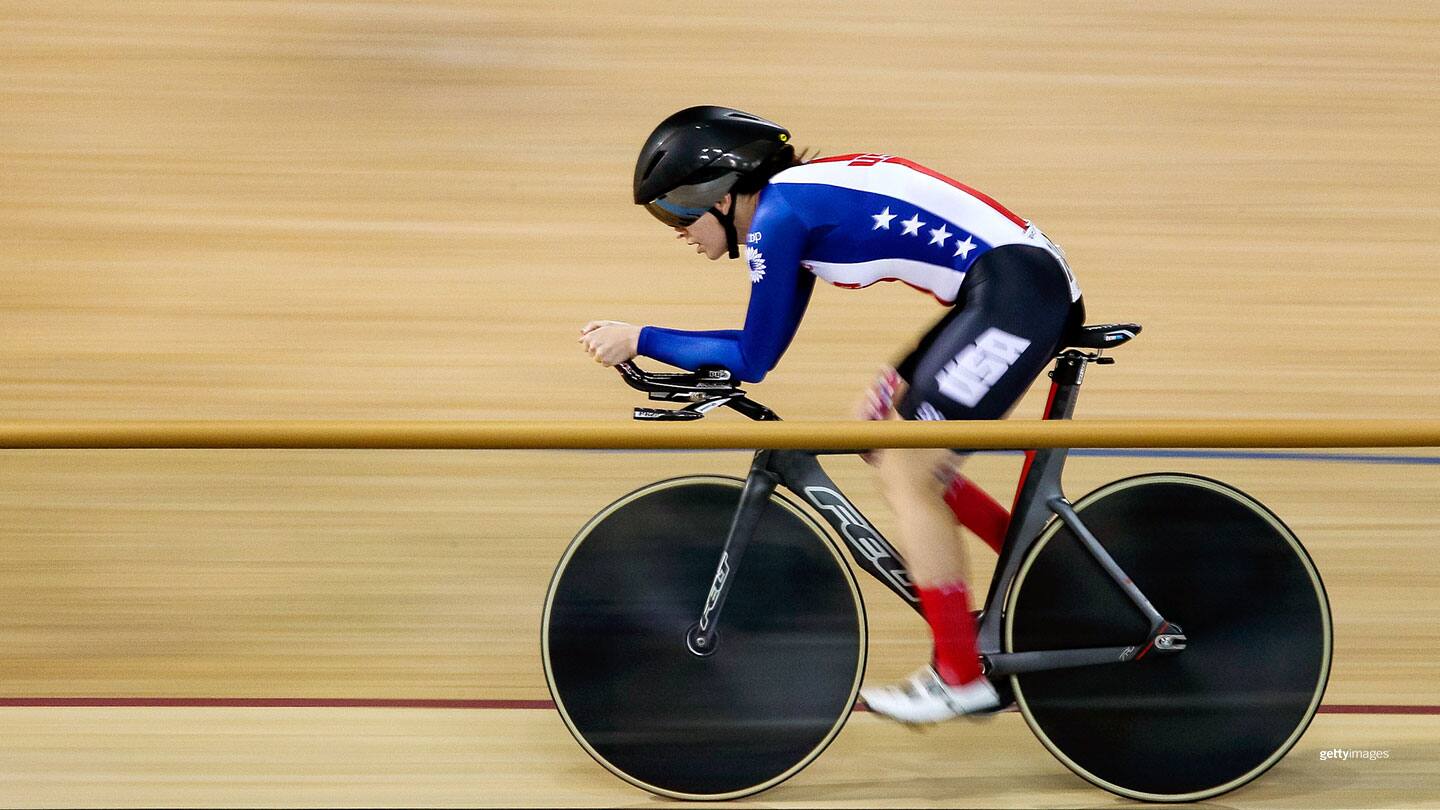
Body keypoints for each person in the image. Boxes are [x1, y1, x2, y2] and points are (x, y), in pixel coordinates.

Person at [579, 105, 1083, 723]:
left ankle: (959, 673)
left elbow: (752, 354)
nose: (677, 228)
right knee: (876, 435)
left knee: (908, 467)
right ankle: (1040, 576)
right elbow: (758, 354)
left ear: (721, 193)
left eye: (677, 209)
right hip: (1003, 285)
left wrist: (640, 337)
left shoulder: (777, 217)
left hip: (1015, 289)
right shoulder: (794, 206)